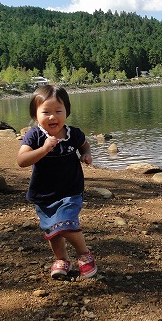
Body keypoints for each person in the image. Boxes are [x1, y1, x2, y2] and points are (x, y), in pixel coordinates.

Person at [16, 85, 97, 281]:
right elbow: (21, 160)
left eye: (58, 112)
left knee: (66, 222)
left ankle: (84, 254)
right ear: (35, 115)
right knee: (53, 229)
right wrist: (43, 149)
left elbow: (83, 143)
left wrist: (86, 153)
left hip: (71, 189)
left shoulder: (73, 134)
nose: (53, 117)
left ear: (67, 112)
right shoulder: (34, 136)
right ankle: (62, 259)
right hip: (44, 193)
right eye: (46, 112)